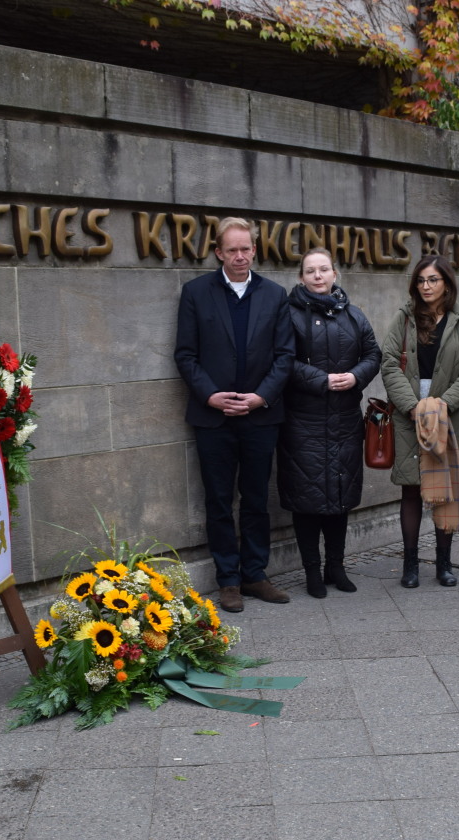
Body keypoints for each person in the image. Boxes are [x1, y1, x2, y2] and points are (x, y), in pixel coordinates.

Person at [173, 217, 294, 613]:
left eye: (246, 249)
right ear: (219, 253)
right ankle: (228, 580)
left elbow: (284, 356)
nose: (240, 256)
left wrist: (260, 397)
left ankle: (255, 574)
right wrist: (210, 396)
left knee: (258, 499)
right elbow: (185, 355)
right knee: (219, 501)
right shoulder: (196, 293)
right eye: (232, 250)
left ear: (254, 250)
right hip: (214, 419)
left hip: (261, 418)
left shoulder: (276, 295)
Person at [277, 248, 382, 598]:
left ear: (334, 273)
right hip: (303, 423)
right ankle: (311, 571)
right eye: (311, 271)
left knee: (340, 498)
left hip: (344, 421)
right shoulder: (289, 315)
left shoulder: (354, 315)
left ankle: (335, 566)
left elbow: (373, 355)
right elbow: (283, 362)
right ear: (301, 277)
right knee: (307, 500)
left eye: (324, 269)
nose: (318, 276)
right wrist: (321, 379)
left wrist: (355, 377)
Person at [379, 255, 459, 588]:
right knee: (410, 491)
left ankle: (444, 563)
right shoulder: (404, 318)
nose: (426, 286)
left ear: (446, 283)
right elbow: (389, 364)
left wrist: (442, 406)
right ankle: (410, 565)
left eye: (433, 280)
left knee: (444, 492)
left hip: (448, 417)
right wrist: (412, 408)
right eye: (421, 280)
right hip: (409, 416)